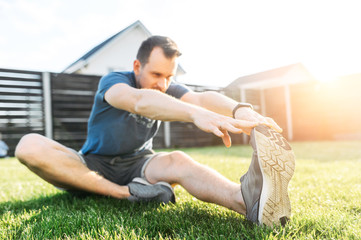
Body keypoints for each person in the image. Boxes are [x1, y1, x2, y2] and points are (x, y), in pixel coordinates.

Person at [15, 36, 295, 227]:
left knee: (178, 159)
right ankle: (126, 194)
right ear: (137, 66)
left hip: (139, 164)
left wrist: (239, 109)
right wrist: (195, 114)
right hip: (92, 163)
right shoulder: (114, 81)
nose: (163, 84)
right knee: (28, 145)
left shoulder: (166, 87)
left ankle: (250, 203)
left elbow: (200, 98)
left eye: (170, 77)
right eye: (157, 75)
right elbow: (139, 102)